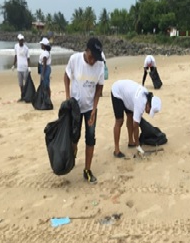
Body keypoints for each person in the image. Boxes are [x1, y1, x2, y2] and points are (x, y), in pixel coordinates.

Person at [64, 37, 104, 184]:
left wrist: (94, 108)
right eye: (91, 56)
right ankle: (72, 156)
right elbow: (67, 76)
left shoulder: (99, 65)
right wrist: (68, 96)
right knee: (74, 136)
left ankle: (87, 170)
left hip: (90, 108)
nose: (93, 61)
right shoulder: (74, 60)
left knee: (91, 137)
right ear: (86, 51)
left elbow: (100, 86)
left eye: (96, 58)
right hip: (75, 107)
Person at [111, 79, 161, 158]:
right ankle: (116, 150)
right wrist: (138, 146)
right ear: (148, 104)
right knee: (119, 121)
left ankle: (131, 142)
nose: (148, 113)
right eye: (149, 111)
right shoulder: (140, 103)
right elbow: (135, 126)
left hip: (128, 95)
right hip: (117, 92)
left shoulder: (147, 96)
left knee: (130, 115)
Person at [12, 34, 31, 101]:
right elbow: (16, 56)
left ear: (23, 40)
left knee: (26, 83)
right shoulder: (16, 46)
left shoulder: (26, 48)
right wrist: (14, 65)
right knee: (20, 84)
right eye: (20, 40)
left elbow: (28, 58)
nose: (21, 42)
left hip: (25, 68)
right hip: (19, 68)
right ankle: (22, 96)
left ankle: (26, 96)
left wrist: (29, 67)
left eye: (22, 40)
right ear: (18, 40)